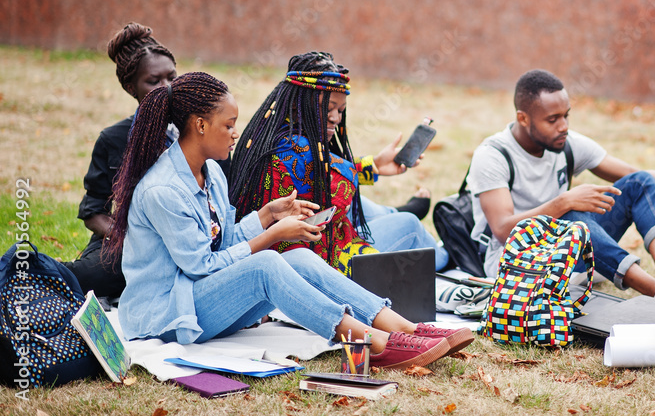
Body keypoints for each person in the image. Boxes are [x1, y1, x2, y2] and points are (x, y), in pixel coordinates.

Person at [104, 72, 471, 367]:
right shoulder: (163, 190)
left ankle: (405, 328)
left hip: (199, 302)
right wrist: (270, 234)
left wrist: (265, 216)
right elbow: (201, 266)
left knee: (295, 258)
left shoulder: (211, 173)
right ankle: (370, 343)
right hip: (167, 315)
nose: (236, 134)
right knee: (266, 263)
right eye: (229, 125)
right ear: (200, 126)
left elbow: (222, 241)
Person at [467, 69, 655, 308]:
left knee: (640, 181)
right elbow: (502, 230)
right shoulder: (492, 155)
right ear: (523, 118)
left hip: (569, 255)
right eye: (552, 120)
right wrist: (564, 202)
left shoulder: (566, 143)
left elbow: (635, 176)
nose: (564, 126)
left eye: (566, 116)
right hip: (517, 266)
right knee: (571, 218)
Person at [229, 52, 448, 274]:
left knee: (367, 207)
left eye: (341, 110)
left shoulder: (273, 132)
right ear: (300, 103)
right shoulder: (297, 149)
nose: (336, 118)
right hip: (322, 259)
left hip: (309, 241)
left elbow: (331, 169)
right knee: (409, 224)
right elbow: (339, 176)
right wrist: (372, 166)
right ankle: (449, 258)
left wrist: (376, 166)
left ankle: (392, 211)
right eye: (328, 108)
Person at [65, 23, 181, 299]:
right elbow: (93, 211)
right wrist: (131, 241)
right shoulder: (113, 139)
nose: (166, 88)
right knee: (88, 276)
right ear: (131, 88)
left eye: (171, 77)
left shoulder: (198, 131)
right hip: (126, 246)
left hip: (188, 243)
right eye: (154, 81)